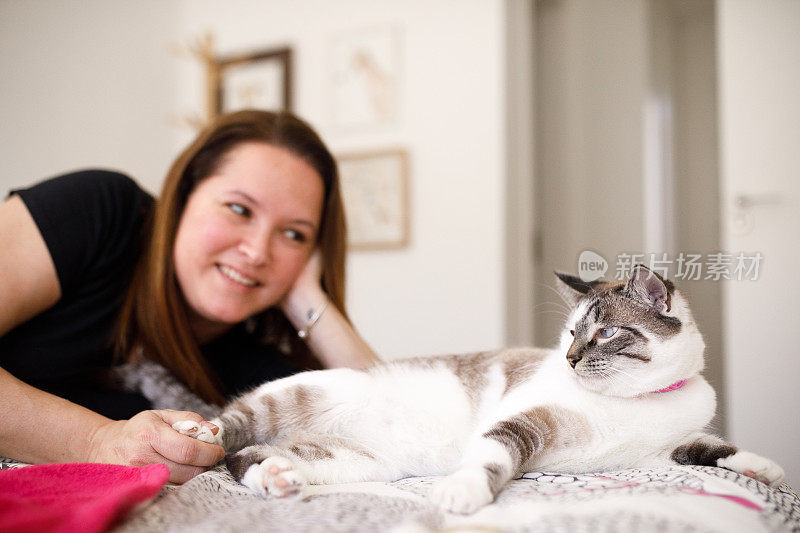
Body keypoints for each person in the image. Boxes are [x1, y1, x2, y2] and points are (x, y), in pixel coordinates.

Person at [0, 110, 379, 482]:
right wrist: (97, 441)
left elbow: (386, 423)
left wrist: (307, 299)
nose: (258, 251)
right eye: (239, 209)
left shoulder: (255, 370)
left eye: (294, 234)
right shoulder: (99, 211)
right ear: (182, 199)